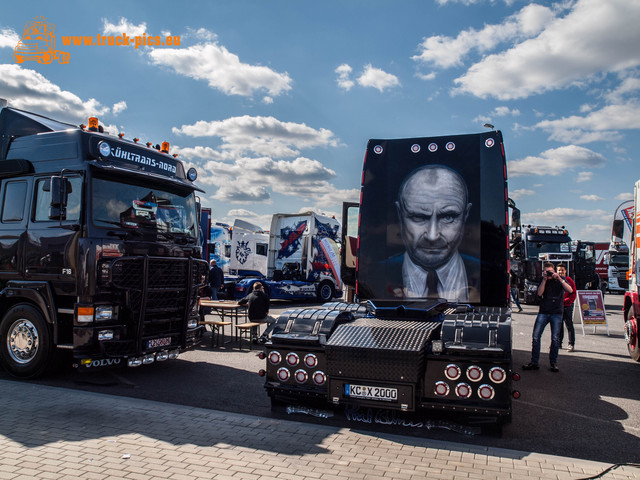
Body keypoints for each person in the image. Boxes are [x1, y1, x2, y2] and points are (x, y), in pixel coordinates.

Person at [390, 164, 479, 301]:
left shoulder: (488, 274)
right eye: (419, 217)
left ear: (465, 215)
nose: (432, 236)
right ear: (399, 214)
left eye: (448, 217)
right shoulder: (376, 273)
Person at [523, 262, 573, 373]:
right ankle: (534, 362)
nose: (549, 273)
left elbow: (570, 290)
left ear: (554, 270)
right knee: (536, 336)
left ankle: (553, 363)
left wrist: (559, 278)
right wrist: (545, 279)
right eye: (546, 271)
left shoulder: (560, 279)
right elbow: (540, 293)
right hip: (544, 311)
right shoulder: (543, 279)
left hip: (556, 312)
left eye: (550, 271)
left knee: (555, 339)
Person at [557, 263, 577, 352]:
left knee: (569, 325)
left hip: (567, 307)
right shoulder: (556, 280)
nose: (560, 272)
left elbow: (573, 293)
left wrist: (567, 302)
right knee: (558, 326)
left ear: (565, 271)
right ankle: (559, 343)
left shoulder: (569, 280)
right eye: (559, 270)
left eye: (562, 270)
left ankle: (571, 344)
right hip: (558, 307)